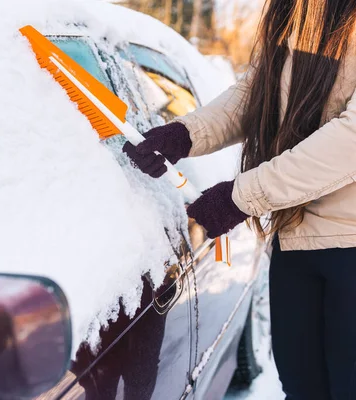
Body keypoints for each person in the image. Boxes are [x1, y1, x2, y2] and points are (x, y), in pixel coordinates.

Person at [123, 1, 356, 399]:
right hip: (296, 242)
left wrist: (240, 197)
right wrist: (185, 134)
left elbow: (350, 140)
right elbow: (258, 92)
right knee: (302, 387)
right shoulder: (299, 15)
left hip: (350, 248)